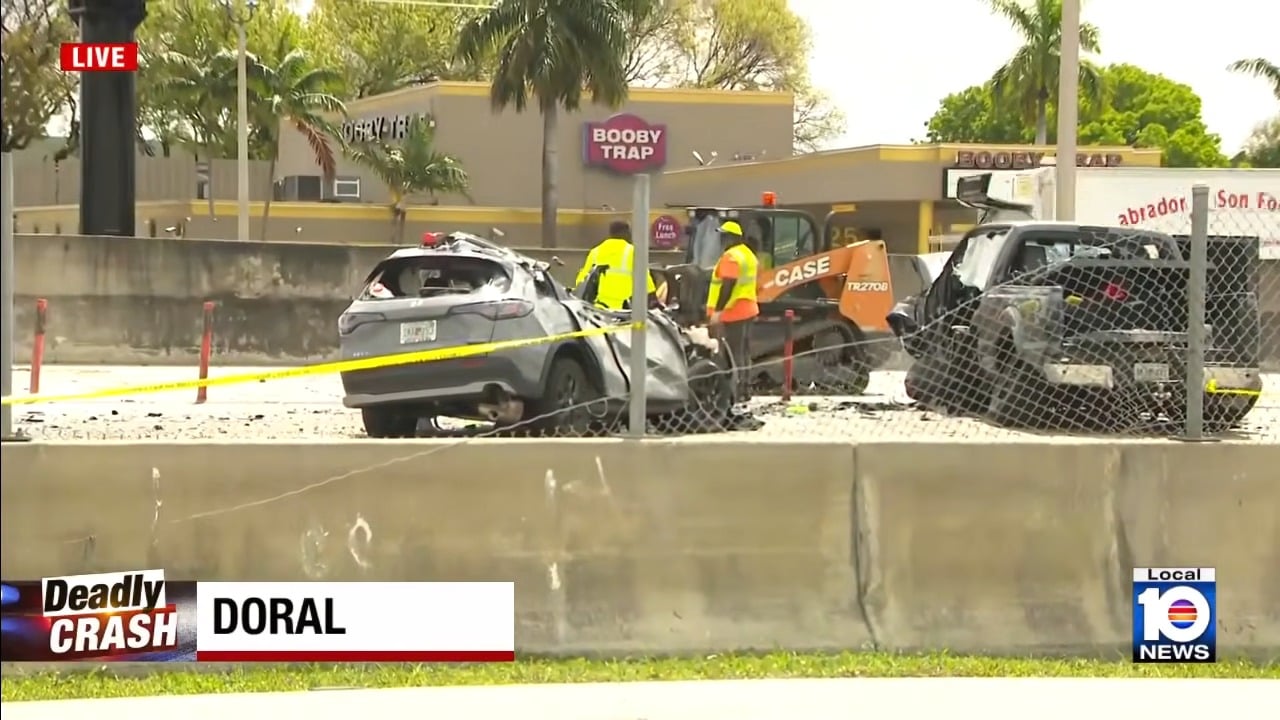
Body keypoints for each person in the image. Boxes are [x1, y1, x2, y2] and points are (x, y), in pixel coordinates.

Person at [706, 220, 761, 397]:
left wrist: (718, 312)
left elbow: (727, 285)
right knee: (743, 351)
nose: (722, 240)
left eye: (723, 236)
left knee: (731, 352)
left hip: (733, 311)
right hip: (749, 308)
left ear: (730, 238)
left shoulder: (731, 256)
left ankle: (734, 390)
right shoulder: (749, 255)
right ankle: (745, 388)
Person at [575, 220, 657, 310]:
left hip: (599, 309)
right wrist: (654, 301)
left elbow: (582, 279)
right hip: (625, 310)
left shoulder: (595, 251)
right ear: (625, 232)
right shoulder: (632, 252)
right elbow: (645, 281)